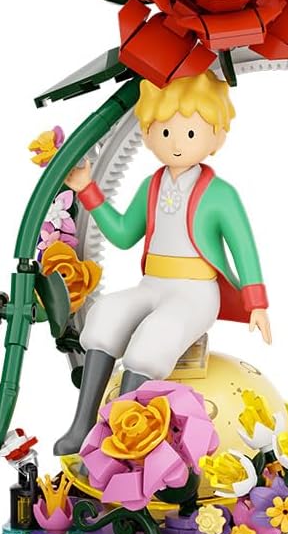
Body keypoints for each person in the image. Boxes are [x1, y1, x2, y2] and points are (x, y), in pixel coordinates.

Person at [54, 71, 271, 455]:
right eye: (165, 132)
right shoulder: (151, 186)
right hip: (152, 284)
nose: (176, 143)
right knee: (105, 316)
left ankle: (114, 442)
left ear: (217, 137)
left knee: (154, 338)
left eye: (191, 133)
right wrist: (87, 189)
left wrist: (256, 303)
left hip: (195, 293)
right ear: (148, 133)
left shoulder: (220, 194)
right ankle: (82, 424)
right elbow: (123, 234)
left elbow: (243, 247)